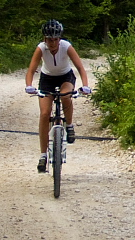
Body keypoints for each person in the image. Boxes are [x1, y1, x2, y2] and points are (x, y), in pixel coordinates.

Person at [25, 20, 91, 173]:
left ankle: (69, 126)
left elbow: (80, 67)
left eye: (55, 39)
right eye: (49, 39)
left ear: (59, 38)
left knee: (65, 95)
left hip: (65, 77)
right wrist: (29, 86)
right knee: (44, 113)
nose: (53, 43)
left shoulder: (66, 46)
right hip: (46, 79)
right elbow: (31, 70)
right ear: (44, 39)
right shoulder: (41, 48)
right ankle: (43, 156)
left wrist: (85, 85)